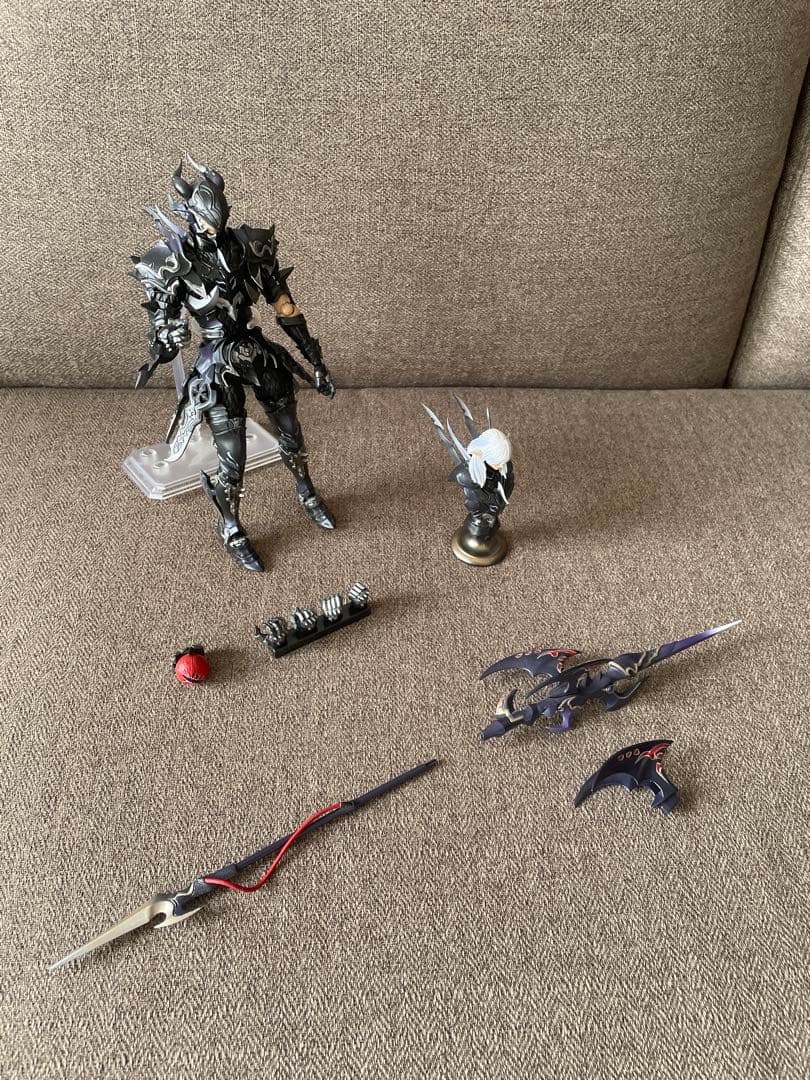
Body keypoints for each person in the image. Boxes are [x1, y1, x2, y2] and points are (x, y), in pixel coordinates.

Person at [131, 155, 336, 572]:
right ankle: (231, 527)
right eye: (208, 223)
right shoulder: (171, 261)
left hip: (256, 350)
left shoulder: (248, 246)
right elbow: (162, 327)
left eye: (219, 221)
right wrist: (169, 336)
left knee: (291, 429)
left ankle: (307, 492)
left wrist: (315, 360)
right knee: (232, 454)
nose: (215, 229)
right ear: (190, 216)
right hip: (214, 361)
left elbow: (285, 306)